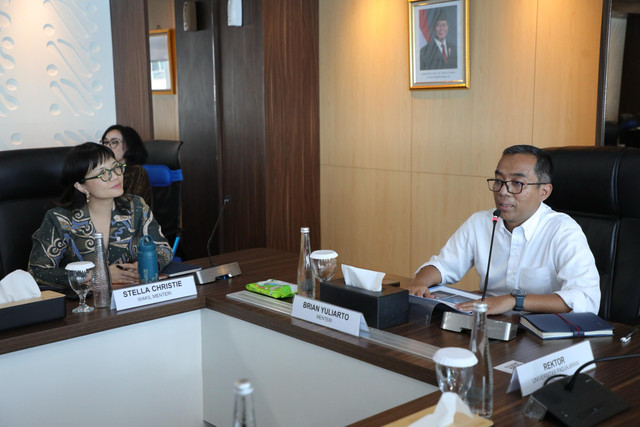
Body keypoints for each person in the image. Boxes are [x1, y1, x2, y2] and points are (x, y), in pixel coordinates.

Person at [409, 145, 600, 315]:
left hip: (543, 331)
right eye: (499, 180)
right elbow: (444, 265)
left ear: (544, 192)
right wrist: (421, 281)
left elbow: (585, 298)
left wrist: (513, 301)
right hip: (490, 322)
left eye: (517, 183)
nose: (502, 191)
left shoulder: (563, 231)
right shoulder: (480, 222)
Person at [28, 142, 172, 292]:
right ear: (81, 186)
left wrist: (144, 265)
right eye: (103, 173)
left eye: (116, 168)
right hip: (82, 306)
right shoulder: (60, 219)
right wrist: (98, 275)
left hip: (130, 296)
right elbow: (38, 271)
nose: (115, 176)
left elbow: (163, 249)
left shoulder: (136, 206)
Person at [101, 124, 154, 210]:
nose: (107, 146)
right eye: (105, 142)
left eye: (114, 142)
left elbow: (130, 206)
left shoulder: (137, 172)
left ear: (129, 146)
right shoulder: (102, 171)